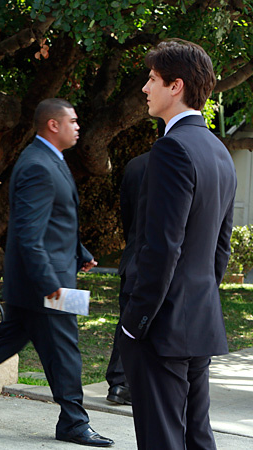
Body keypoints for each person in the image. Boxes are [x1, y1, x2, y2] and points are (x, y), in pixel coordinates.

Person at [0, 98, 114, 447]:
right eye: (72, 120)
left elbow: (54, 221)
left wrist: (80, 252)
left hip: (38, 283)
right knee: (66, 351)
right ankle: (74, 422)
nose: (78, 126)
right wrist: (54, 288)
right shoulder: (37, 164)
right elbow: (27, 235)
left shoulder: (50, 159)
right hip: (45, 286)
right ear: (53, 125)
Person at [119, 39, 237, 449]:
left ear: (176, 86)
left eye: (152, 79)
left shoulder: (171, 148)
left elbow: (161, 248)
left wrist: (135, 322)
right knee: (197, 437)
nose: (145, 88)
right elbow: (220, 248)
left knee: (163, 439)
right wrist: (199, 299)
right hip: (199, 319)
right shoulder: (219, 152)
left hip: (162, 326)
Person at [105, 151, 149, 406]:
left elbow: (127, 216)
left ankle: (119, 381)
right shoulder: (183, 162)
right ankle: (128, 383)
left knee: (128, 321)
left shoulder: (136, 165)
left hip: (133, 256)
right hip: (158, 260)